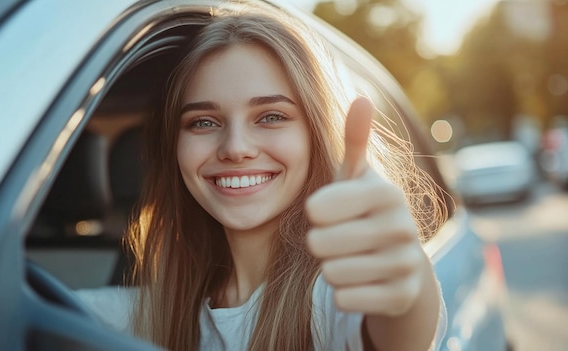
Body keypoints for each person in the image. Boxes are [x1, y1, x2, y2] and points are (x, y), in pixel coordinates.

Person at [78, 4, 447, 351]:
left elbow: (399, 329)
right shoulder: (157, 308)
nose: (235, 148)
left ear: (315, 135)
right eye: (203, 122)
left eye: (271, 116)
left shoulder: (331, 292)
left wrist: (406, 279)